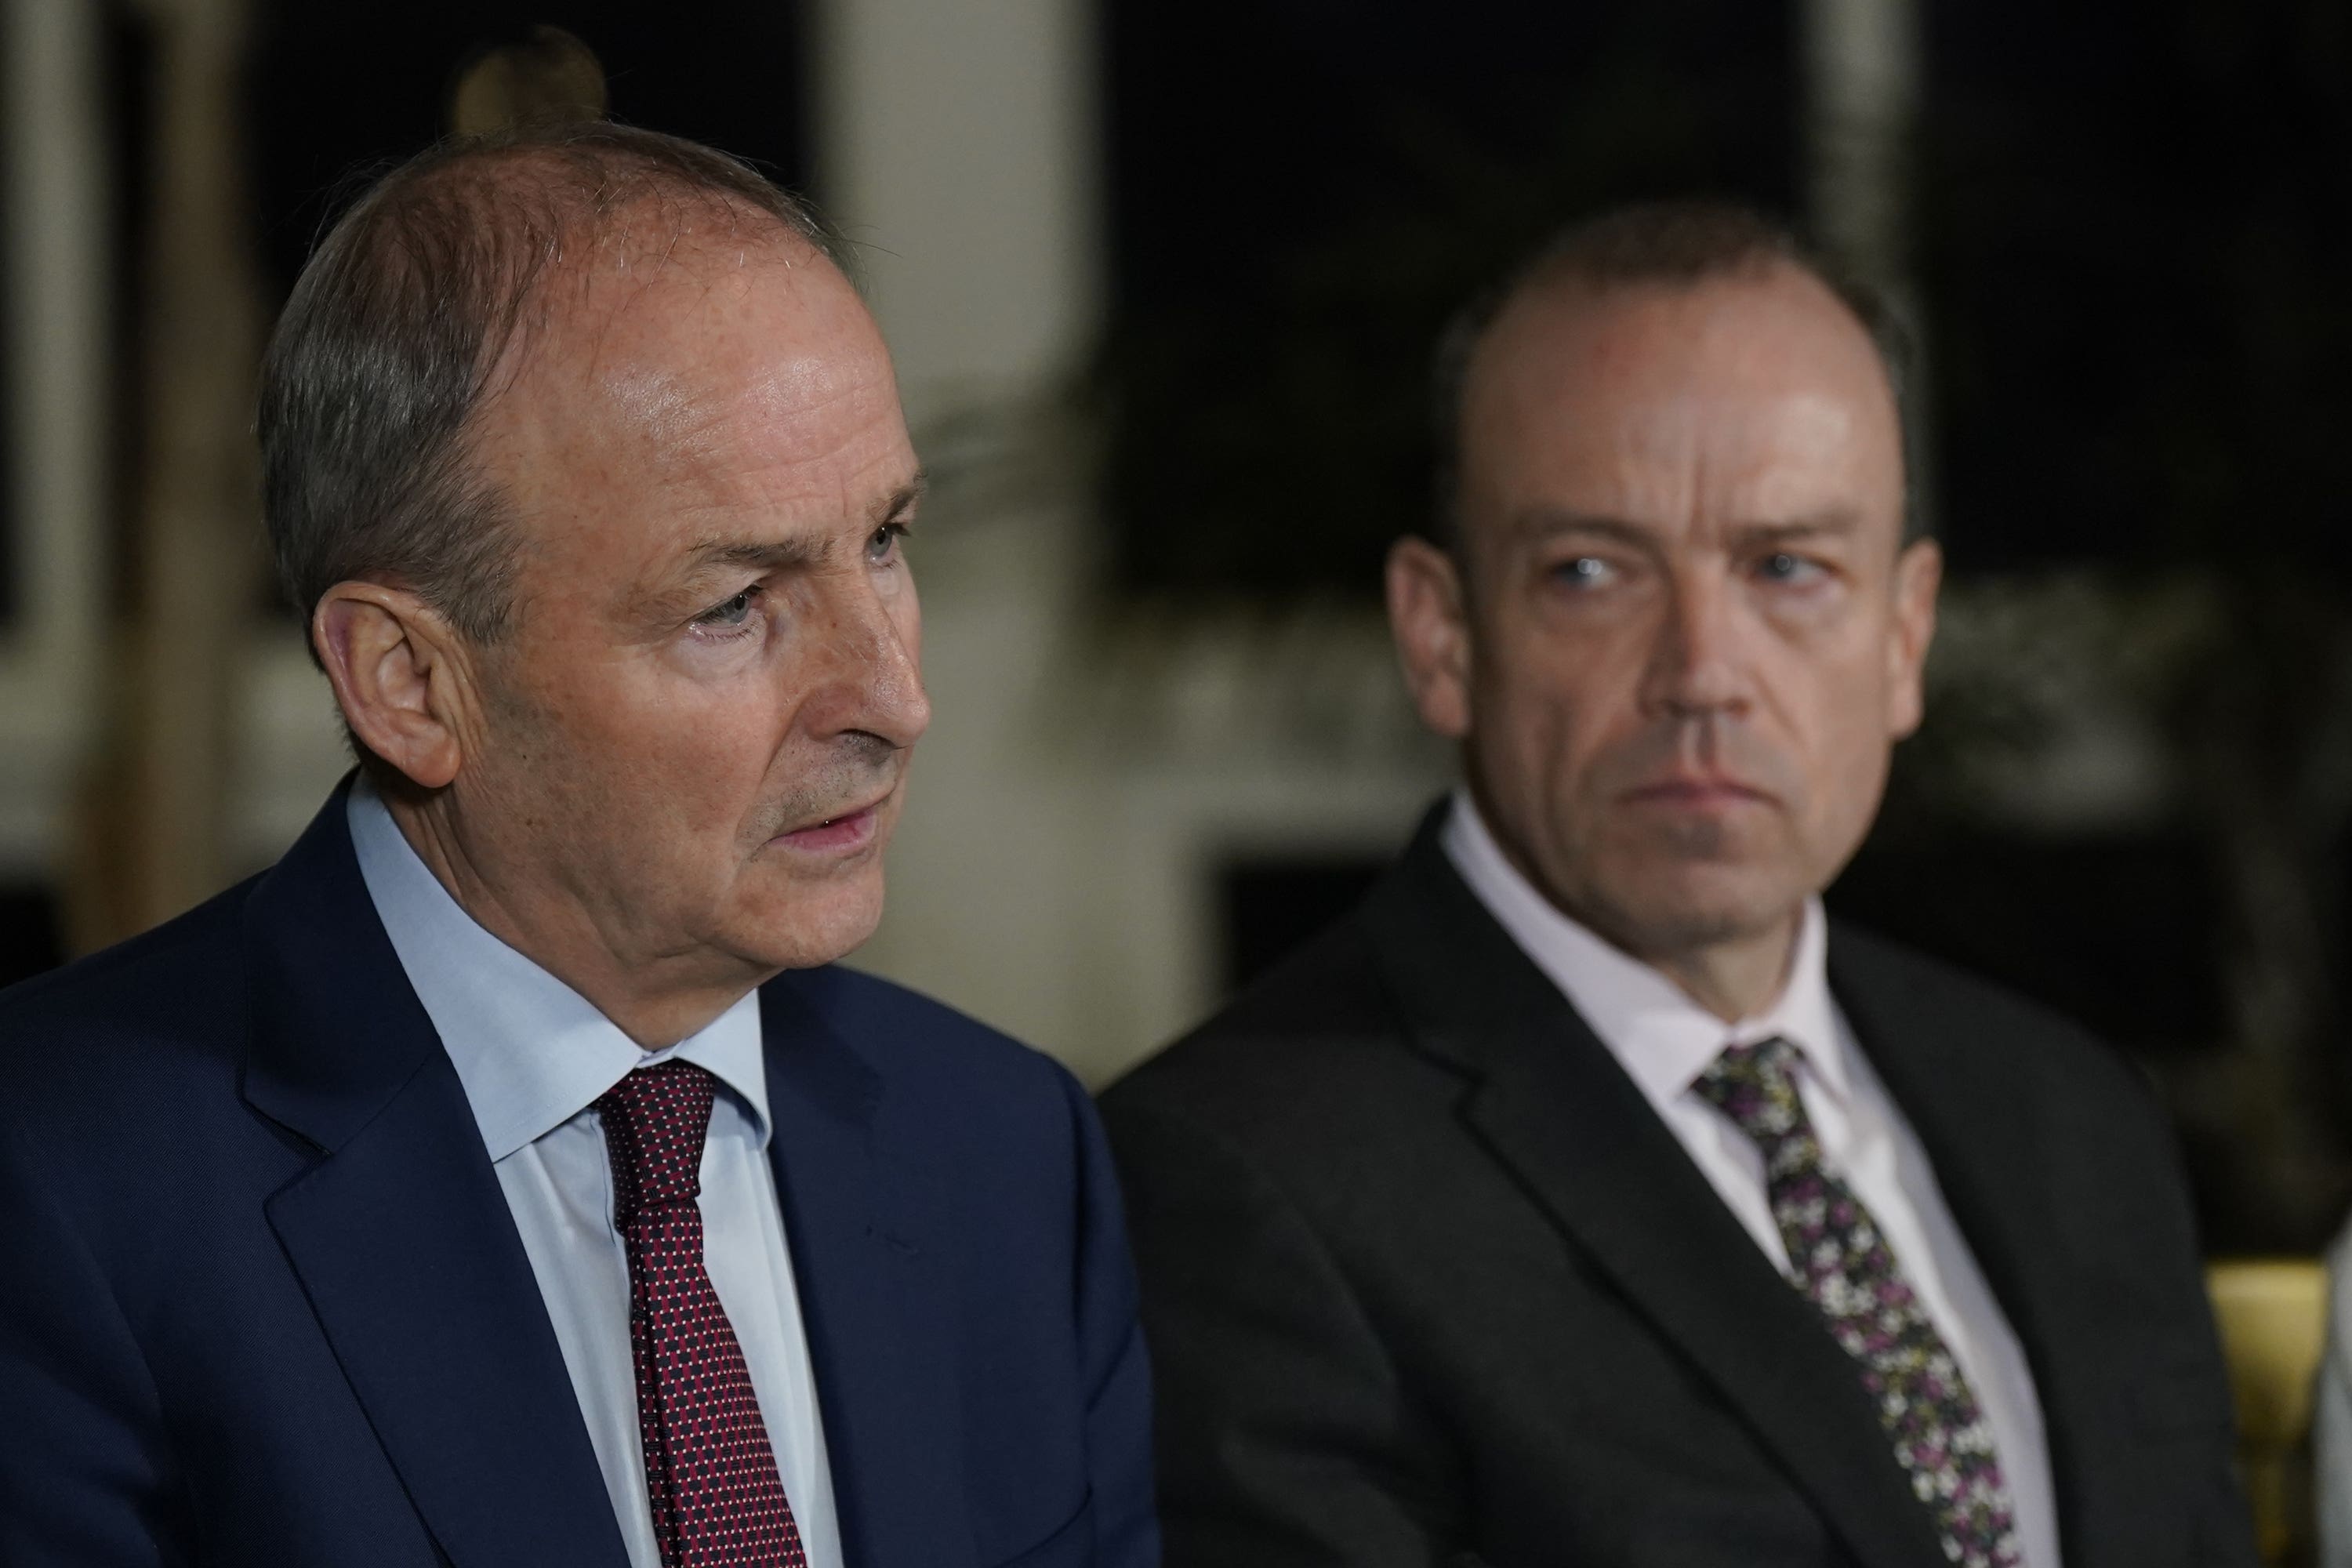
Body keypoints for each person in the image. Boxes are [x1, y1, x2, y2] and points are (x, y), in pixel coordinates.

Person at [0, 122, 1155, 1568]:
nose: (894, 698)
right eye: (735, 603)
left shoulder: (1008, 1153)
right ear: (413, 683)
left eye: (887, 541)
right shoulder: (55, 1190)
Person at [1100, 201, 2251, 1568]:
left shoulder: (2073, 1116)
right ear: (1444, 634)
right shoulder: (1234, 1186)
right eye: (1591, 572)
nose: (1703, 669)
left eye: (1788, 568)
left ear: (1904, 636)